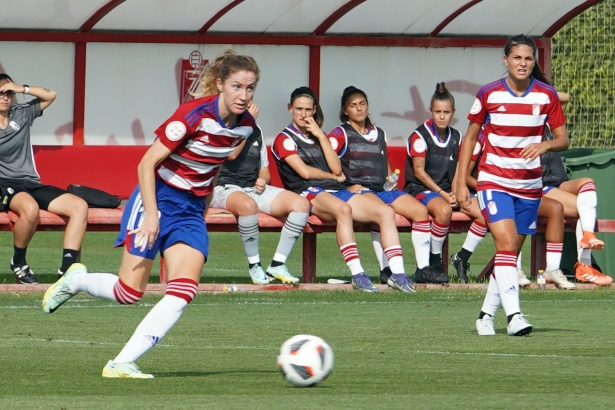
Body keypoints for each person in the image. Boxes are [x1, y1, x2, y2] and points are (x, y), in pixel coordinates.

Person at [42, 49, 260, 378]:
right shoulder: (192, 114)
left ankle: (121, 363)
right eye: (237, 87)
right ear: (220, 84)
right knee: (129, 293)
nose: (244, 96)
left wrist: (203, 205)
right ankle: (77, 280)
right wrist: (152, 216)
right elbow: (146, 163)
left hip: (189, 210)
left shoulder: (246, 127)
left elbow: (215, 162)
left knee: (184, 290)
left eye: (250, 88)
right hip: (156, 199)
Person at [456, 34, 569, 337]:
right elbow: (469, 137)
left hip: (530, 187)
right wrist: (460, 182)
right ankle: (515, 315)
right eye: (517, 58)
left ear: (535, 62)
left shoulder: (546, 95)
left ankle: (484, 316)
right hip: (493, 181)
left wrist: (545, 147)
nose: (522, 63)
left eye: (528, 59)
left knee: (506, 256)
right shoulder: (489, 93)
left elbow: (563, 139)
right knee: (506, 247)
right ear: (505, 60)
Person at [272, 86, 414, 293]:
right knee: (344, 210)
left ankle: (398, 274)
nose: (303, 114)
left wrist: (321, 137)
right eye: (298, 109)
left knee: (386, 211)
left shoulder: (318, 136)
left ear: (314, 110)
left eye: (308, 110)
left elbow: (337, 168)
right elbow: (304, 173)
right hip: (307, 192)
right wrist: (334, 177)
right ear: (290, 109)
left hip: (334, 189)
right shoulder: (284, 138)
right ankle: (357, 274)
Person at [330, 86, 440, 285]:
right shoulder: (340, 133)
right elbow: (328, 164)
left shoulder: (378, 132)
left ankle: (423, 269)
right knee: (383, 212)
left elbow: (384, 164)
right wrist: (345, 186)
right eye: (353, 106)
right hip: (361, 191)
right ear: (345, 110)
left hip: (383, 189)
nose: (359, 109)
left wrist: (391, 178)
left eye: (362, 104)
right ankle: (387, 270)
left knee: (420, 211)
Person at [0, 73, 88, 284]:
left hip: (30, 182)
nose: (5, 97)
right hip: (4, 183)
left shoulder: (21, 113)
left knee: (79, 206)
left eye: (8, 93)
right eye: (0, 93)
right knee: (30, 210)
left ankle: (67, 271)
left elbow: (50, 95)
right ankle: (19, 262)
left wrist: (22, 88)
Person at [211, 101, 309, 284]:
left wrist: (262, 180)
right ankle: (254, 266)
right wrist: (247, 124)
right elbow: (230, 154)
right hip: (223, 187)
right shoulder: (221, 126)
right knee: (249, 206)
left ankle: (277, 264)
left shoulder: (256, 131)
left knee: (301, 204)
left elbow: (264, 169)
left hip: (252, 189)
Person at [465, 129, 576, 289]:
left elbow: (563, 139)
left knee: (556, 208)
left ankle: (552, 269)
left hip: (526, 189)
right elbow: (465, 172)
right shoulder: (484, 134)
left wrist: (546, 145)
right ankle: (511, 269)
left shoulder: (529, 127)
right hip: (494, 191)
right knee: (509, 222)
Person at [540, 92, 611, 285]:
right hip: (540, 185)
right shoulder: (522, 125)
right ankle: (584, 265)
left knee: (587, 182)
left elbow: (565, 97)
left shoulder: (547, 115)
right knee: (583, 208)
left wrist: (537, 89)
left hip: (558, 181)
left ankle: (588, 234)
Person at [404, 82, 461, 283]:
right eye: (438, 111)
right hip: (418, 189)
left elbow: (457, 170)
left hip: (445, 192)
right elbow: (419, 172)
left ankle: (464, 257)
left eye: (446, 112)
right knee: (444, 211)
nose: (442, 116)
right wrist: (445, 195)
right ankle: (434, 260)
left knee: (482, 212)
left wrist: (455, 192)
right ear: (431, 112)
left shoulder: (456, 136)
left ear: (453, 112)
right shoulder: (420, 136)